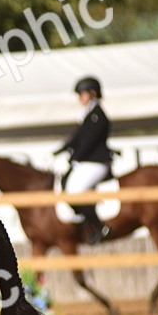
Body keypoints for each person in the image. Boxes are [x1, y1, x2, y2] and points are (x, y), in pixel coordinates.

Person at [54, 76, 113, 244]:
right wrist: (58, 151)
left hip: (96, 163)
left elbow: (88, 142)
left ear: (93, 94)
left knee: (74, 191)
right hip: (86, 162)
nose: (80, 98)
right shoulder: (87, 115)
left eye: (82, 94)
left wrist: (73, 157)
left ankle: (99, 226)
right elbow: (76, 139)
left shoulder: (98, 116)